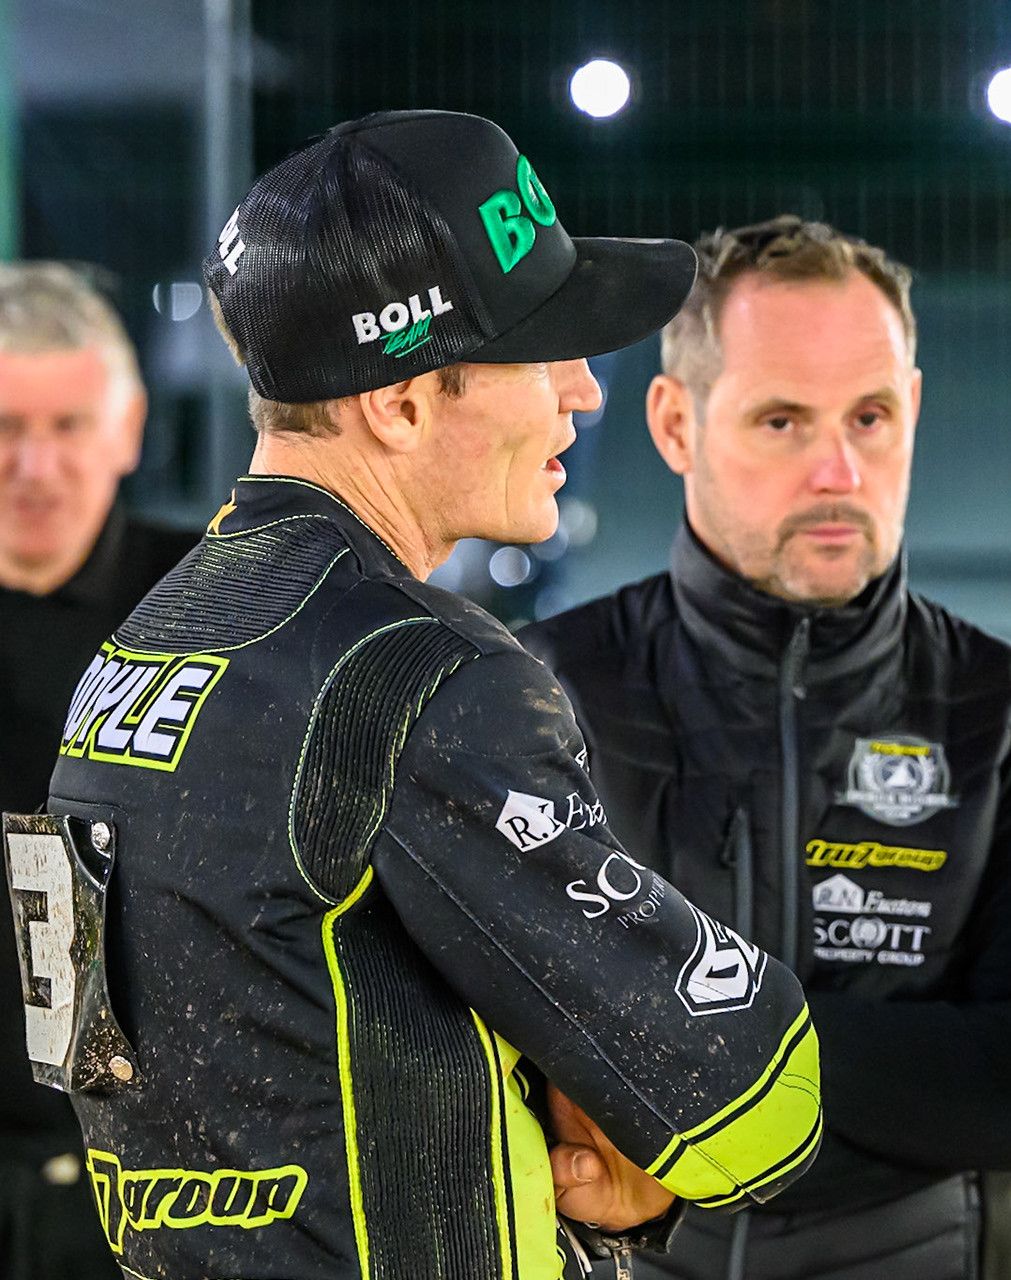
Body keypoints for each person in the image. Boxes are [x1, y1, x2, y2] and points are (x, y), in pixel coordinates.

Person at [1, 110, 822, 1280]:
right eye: (547, 351)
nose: (584, 393)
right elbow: (752, 1101)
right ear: (399, 400)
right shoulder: (427, 675)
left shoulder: (131, 654)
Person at [520, 215, 1011, 1280]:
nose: (839, 468)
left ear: (916, 411)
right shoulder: (539, 694)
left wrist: (671, 1036)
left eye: (873, 416)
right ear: (675, 423)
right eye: (784, 420)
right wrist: (899, 1064)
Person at [0, 262, 198, 1279]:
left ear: (126, 432)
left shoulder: (217, 610)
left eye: (68, 426)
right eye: (4, 427)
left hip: (151, 1170)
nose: (33, 465)